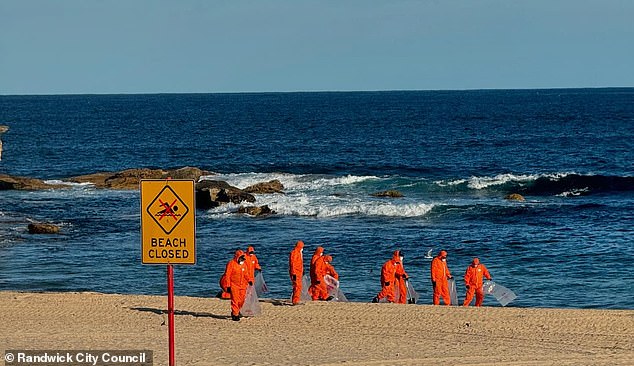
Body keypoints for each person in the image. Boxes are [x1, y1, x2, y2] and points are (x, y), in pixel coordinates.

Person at [222, 250, 253, 321]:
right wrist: (228, 285)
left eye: (243, 259)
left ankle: (237, 311)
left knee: (241, 300)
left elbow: (246, 274)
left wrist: (250, 280)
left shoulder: (244, 265)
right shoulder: (231, 264)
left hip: (243, 285)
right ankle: (235, 314)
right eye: (241, 258)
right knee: (235, 300)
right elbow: (227, 275)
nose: (242, 260)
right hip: (234, 285)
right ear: (237, 257)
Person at [288, 240, 304, 305]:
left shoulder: (298, 253)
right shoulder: (295, 253)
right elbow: (293, 264)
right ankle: (295, 300)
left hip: (298, 272)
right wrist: (294, 273)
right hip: (295, 272)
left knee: (298, 286)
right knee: (297, 286)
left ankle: (296, 300)